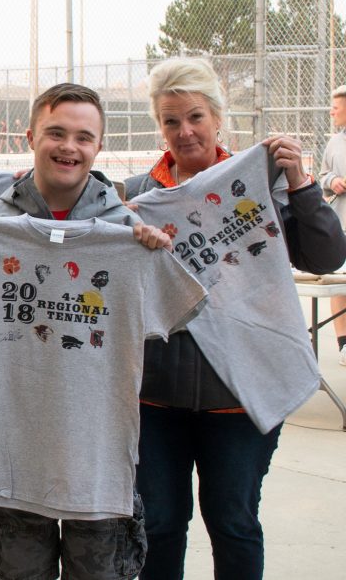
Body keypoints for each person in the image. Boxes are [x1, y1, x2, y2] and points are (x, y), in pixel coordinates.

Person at [123, 57, 346, 580]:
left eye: (195, 117)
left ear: (218, 118)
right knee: (159, 525)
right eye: (171, 121)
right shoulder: (136, 196)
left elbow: (326, 257)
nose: (185, 131)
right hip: (155, 398)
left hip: (242, 395)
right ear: (159, 127)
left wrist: (300, 184)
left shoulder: (260, 183)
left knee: (233, 523)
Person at [0, 83, 171, 580]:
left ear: (99, 146)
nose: (70, 147)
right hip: (13, 449)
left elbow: (172, 317)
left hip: (96, 453)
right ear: (30, 137)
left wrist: (150, 256)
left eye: (84, 137)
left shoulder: (127, 231)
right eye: (56, 133)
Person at [318, 84, 346, 364]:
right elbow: (323, 174)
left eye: (335, 107)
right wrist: (333, 180)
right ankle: (344, 344)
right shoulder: (335, 142)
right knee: (339, 284)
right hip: (341, 224)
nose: (331, 112)